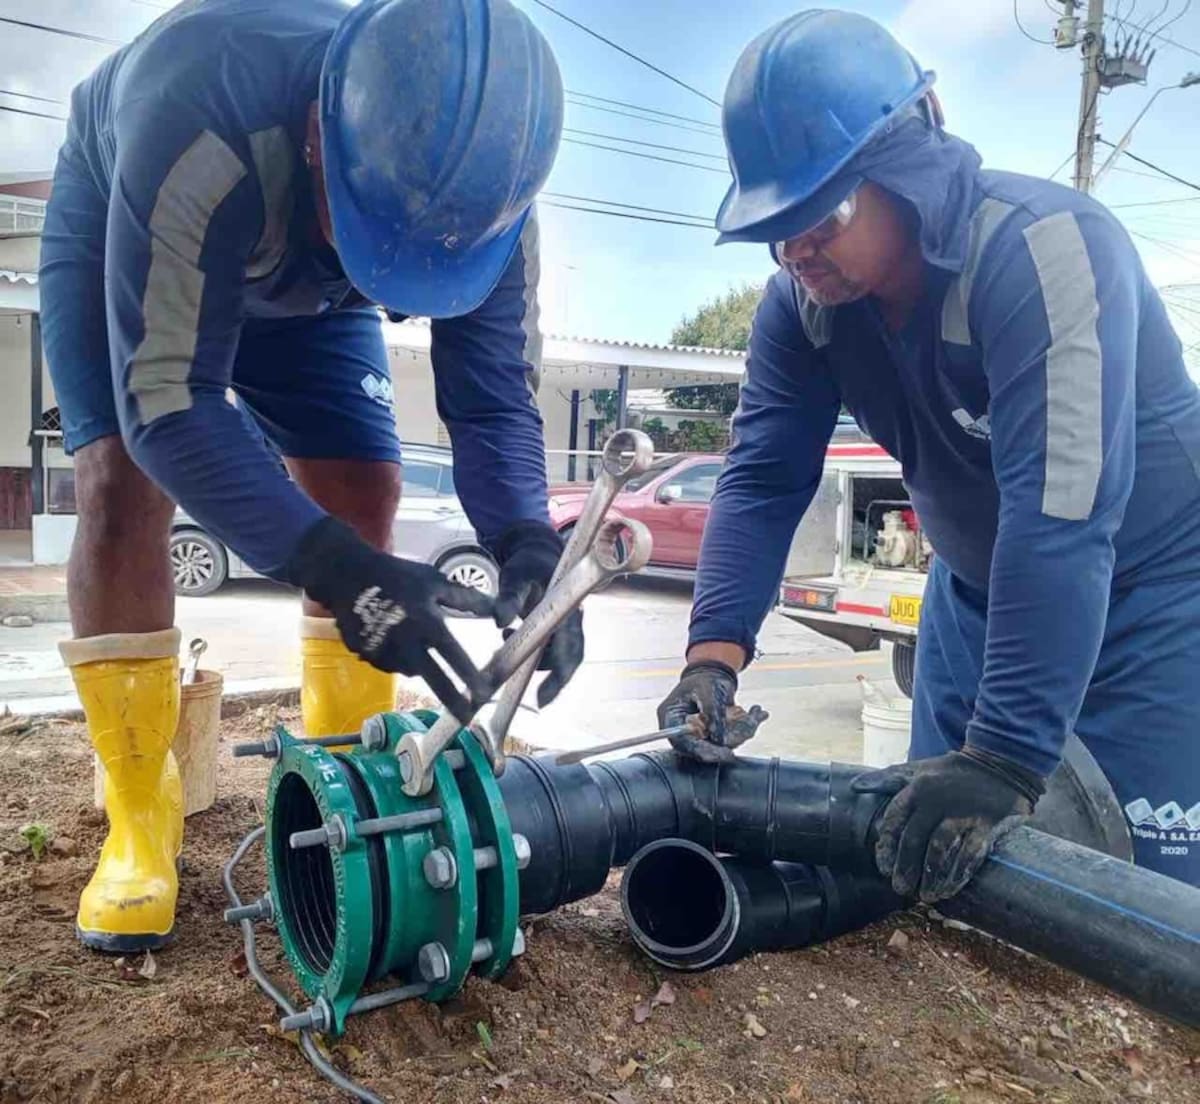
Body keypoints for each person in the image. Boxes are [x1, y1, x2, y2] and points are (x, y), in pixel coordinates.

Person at [39, 0, 581, 953]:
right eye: (389, 248)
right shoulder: (200, 113)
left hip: (314, 267)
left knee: (363, 489)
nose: (400, 291)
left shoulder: (483, 198)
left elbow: (493, 401)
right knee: (123, 482)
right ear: (326, 137)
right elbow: (170, 404)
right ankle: (138, 814)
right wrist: (330, 567)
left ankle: (343, 781)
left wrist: (530, 547)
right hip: (137, 215)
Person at [658, 9, 1200, 897]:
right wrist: (711, 659)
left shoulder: (1043, 252)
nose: (796, 250)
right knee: (933, 870)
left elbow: (1061, 513)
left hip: (1156, 597)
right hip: (975, 596)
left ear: (906, 165)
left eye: (822, 213)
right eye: (775, 227)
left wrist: (1006, 757)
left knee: (1143, 908)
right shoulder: (803, 306)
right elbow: (760, 478)